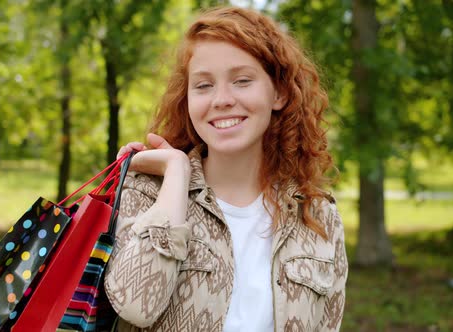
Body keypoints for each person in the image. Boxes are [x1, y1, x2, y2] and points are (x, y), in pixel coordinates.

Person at [104, 6, 348, 332]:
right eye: (203, 86)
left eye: (242, 81)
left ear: (279, 92)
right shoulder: (148, 192)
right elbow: (137, 305)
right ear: (187, 99)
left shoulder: (319, 215)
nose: (221, 99)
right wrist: (176, 172)